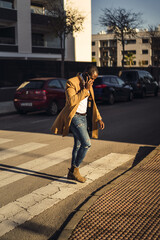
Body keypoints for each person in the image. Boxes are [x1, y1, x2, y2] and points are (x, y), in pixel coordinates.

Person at [51, 64, 105, 183]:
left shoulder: (89, 84)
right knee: (87, 143)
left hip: (84, 117)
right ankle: (75, 169)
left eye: (95, 79)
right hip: (74, 117)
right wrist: (85, 89)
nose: (93, 81)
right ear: (86, 75)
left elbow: (93, 103)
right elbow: (71, 102)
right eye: (92, 78)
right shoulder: (71, 82)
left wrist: (99, 118)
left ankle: (71, 174)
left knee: (78, 145)